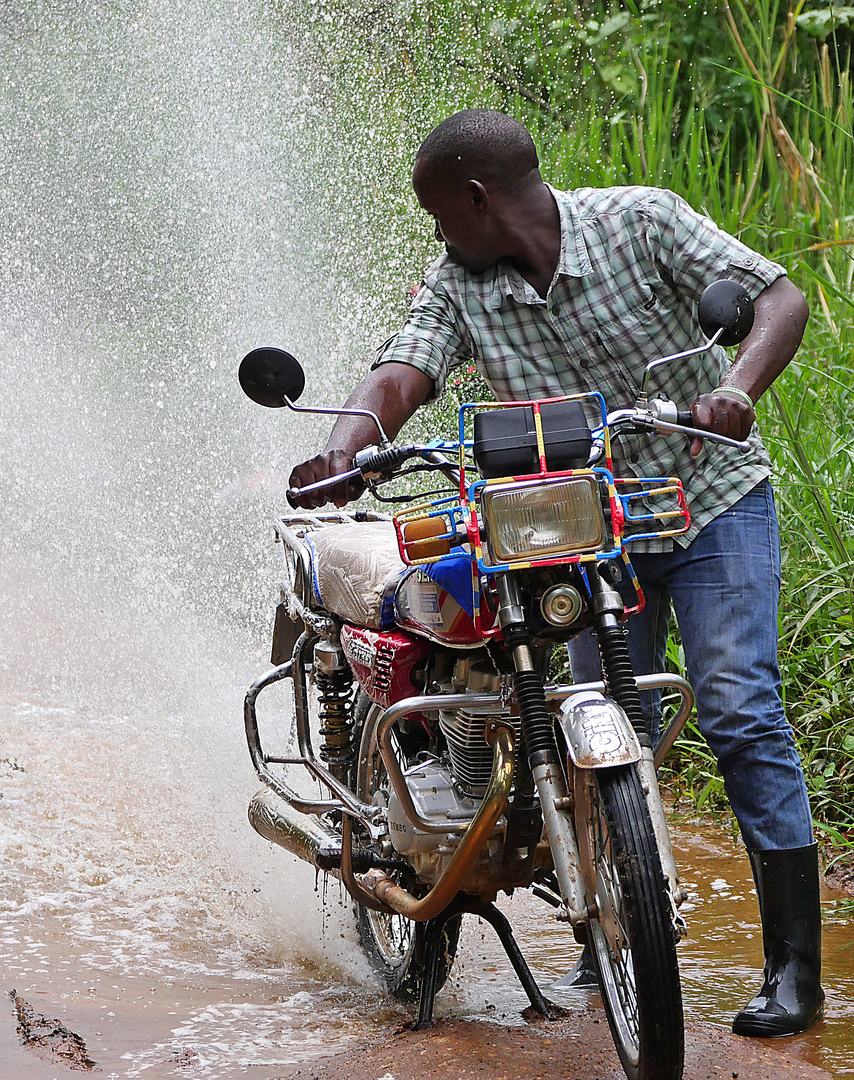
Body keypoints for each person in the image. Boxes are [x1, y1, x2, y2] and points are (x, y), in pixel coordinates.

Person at [288, 109, 823, 1037]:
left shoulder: (641, 221)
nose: (440, 236)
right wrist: (344, 449)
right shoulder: (459, 286)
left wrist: (735, 388)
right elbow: (398, 377)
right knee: (603, 720)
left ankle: (794, 970)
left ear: (477, 198)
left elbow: (779, 299)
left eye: (441, 215)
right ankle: (614, 927)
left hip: (707, 498)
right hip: (572, 531)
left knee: (737, 704)